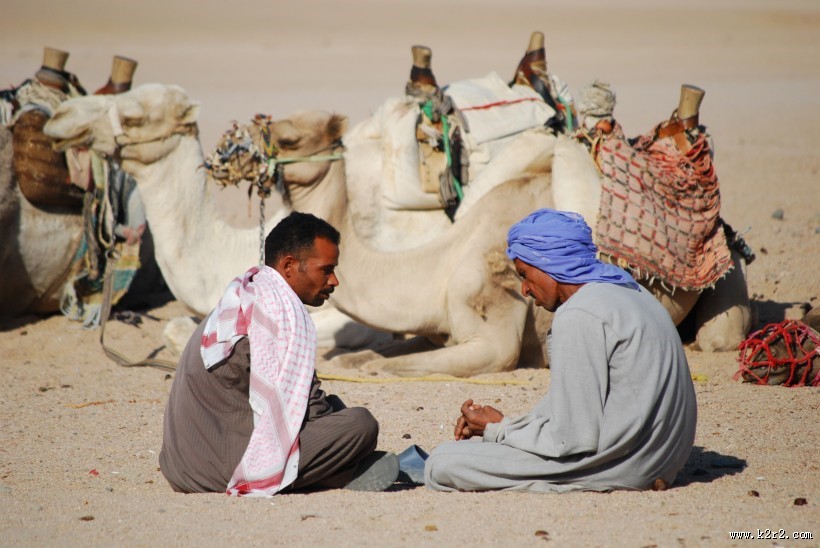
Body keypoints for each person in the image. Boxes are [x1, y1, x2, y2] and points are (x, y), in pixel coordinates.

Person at [424, 208, 697, 493]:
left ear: (547, 261)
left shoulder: (580, 312)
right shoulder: (631, 292)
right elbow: (582, 405)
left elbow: (570, 439)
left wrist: (499, 431)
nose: (525, 289)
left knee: (444, 462)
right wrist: (504, 425)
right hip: (665, 461)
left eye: (525, 274)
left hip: (626, 466)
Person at [159, 212, 399, 496]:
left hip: (178, 466)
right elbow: (312, 412)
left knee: (336, 411)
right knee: (361, 425)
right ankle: (336, 473)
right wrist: (344, 438)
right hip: (221, 471)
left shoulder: (245, 297)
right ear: (288, 265)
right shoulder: (280, 316)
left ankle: (331, 469)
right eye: (326, 269)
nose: (334, 280)